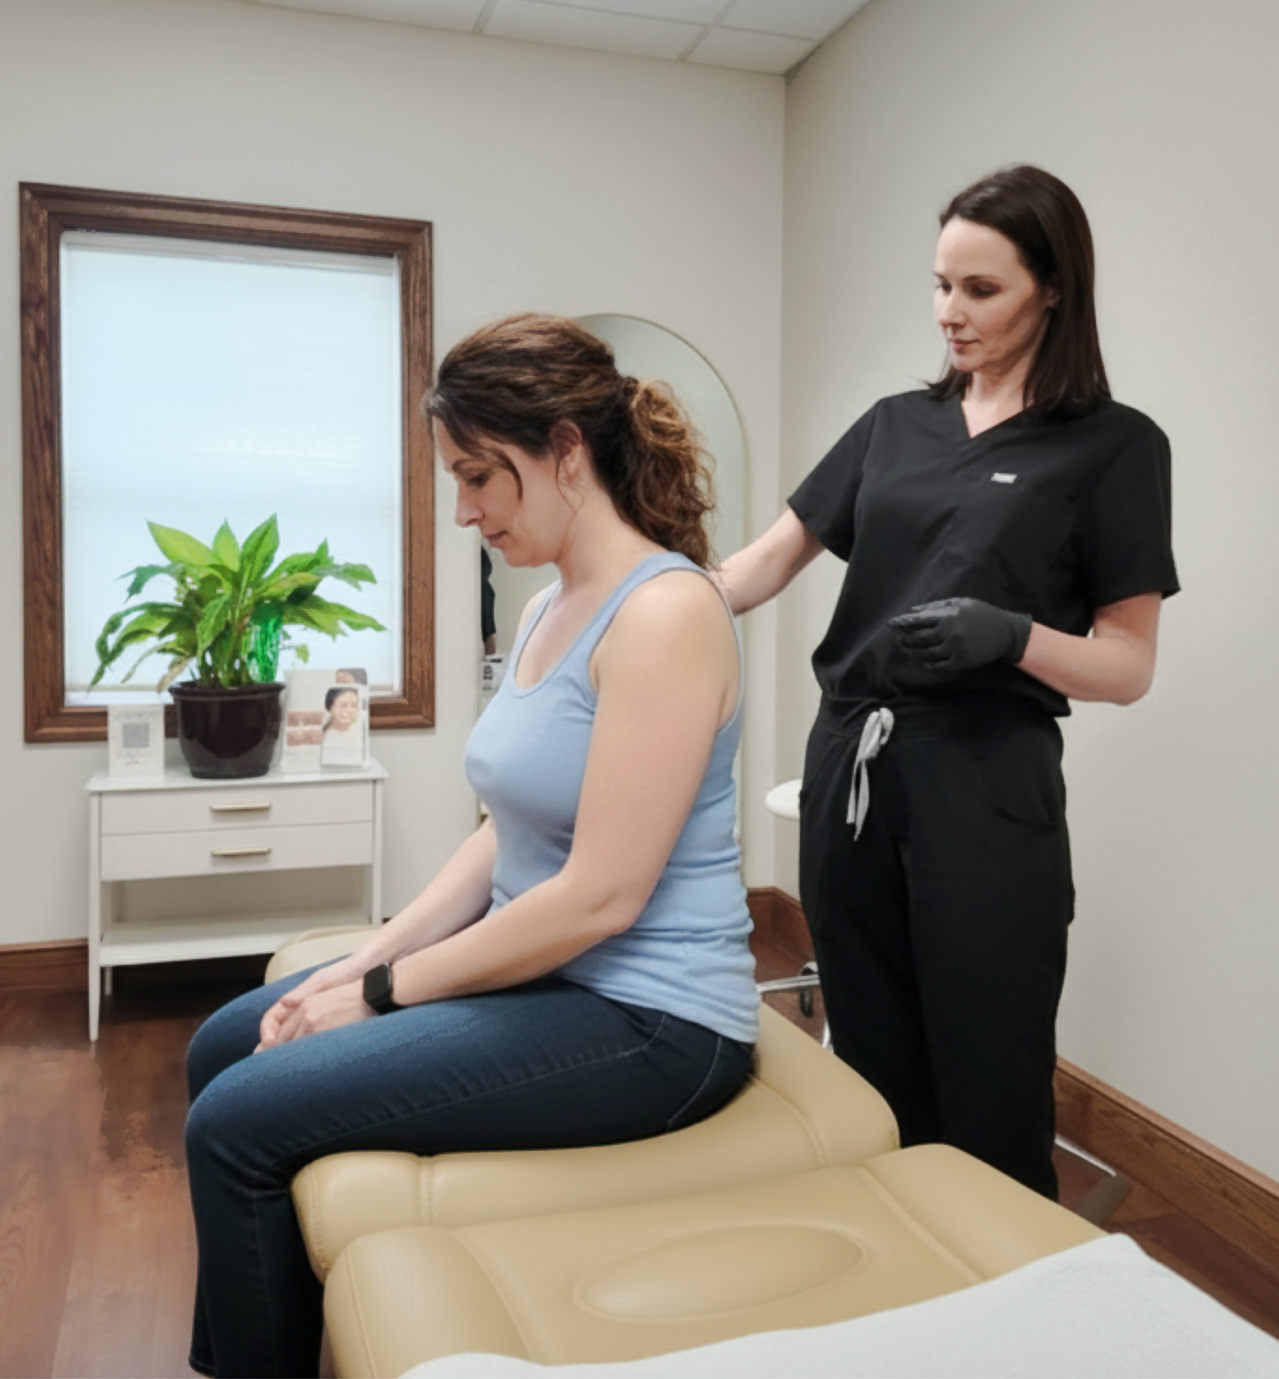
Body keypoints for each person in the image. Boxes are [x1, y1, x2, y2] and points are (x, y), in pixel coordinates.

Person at [184, 314, 758, 1378]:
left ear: (567, 450)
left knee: (235, 1123)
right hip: (556, 980)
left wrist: (382, 993)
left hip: (654, 1018)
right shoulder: (549, 606)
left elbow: (599, 898)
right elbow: (504, 839)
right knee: (221, 1043)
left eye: (481, 476)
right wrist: (358, 960)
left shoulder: (666, 613)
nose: (464, 510)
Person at [719, 165, 1178, 1200]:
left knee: (988, 1063)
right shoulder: (892, 425)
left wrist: (1010, 635)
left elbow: (1128, 664)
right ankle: (898, 1279)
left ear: (1051, 289)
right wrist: (635, 595)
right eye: (939, 286)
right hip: (852, 762)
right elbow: (759, 566)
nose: (949, 314)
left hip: (984, 776)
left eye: (980, 290)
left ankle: (1011, 1303)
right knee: (869, 1054)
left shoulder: (1112, 447)